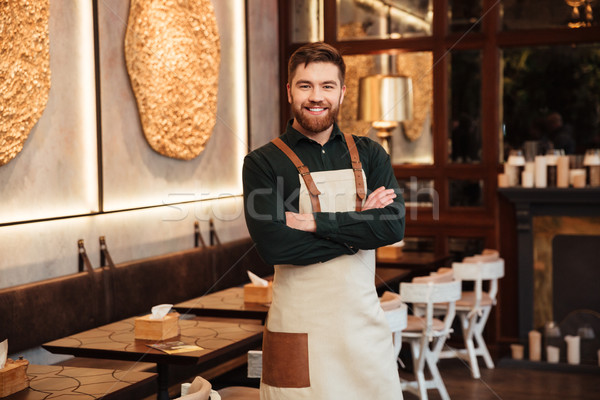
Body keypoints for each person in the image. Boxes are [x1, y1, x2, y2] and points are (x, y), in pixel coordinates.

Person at [242, 42, 405, 399]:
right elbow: (274, 245)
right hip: (298, 332)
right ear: (289, 91)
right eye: (305, 86)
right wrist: (361, 227)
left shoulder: (371, 153)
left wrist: (317, 223)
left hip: (363, 333)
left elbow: (393, 226)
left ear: (342, 92)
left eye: (327, 86)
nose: (316, 97)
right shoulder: (263, 163)